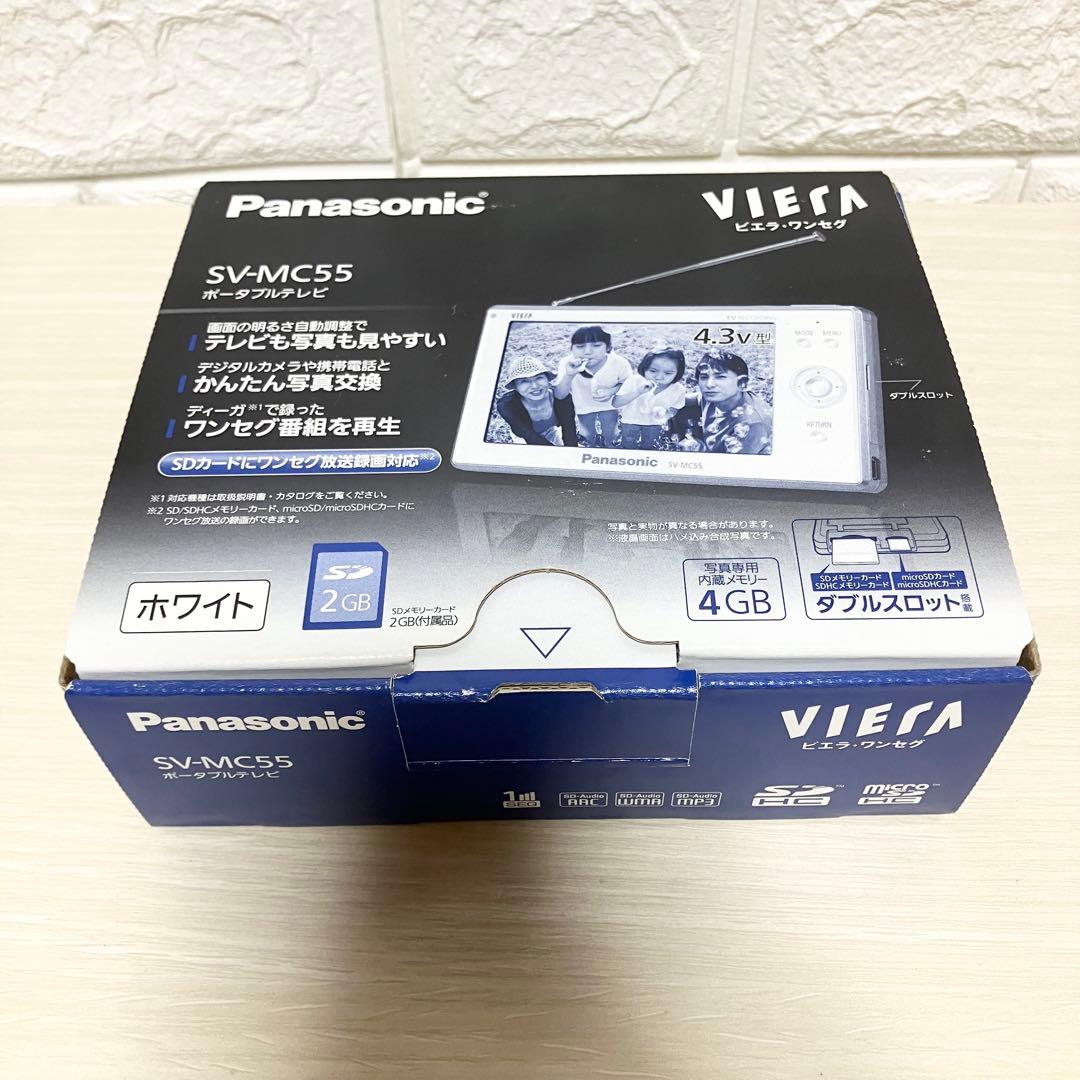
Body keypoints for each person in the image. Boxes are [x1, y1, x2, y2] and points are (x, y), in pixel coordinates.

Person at [670, 351, 772, 454]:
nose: (709, 384)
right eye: (704, 377)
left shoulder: (753, 425)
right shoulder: (716, 395)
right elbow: (690, 399)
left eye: (720, 377)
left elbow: (734, 463)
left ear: (742, 383)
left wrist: (699, 452)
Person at [553, 325, 633, 448]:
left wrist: (612, 390)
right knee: (588, 434)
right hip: (583, 406)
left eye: (596, 345)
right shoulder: (567, 363)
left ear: (608, 347)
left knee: (610, 434)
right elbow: (559, 395)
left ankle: (609, 447)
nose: (587, 352)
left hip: (610, 406)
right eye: (580, 347)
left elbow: (629, 384)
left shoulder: (619, 363)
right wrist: (569, 374)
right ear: (571, 349)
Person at [495, 355, 578, 446]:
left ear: (547, 379)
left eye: (539, 378)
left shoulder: (561, 398)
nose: (534, 386)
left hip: (551, 431)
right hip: (524, 438)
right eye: (524, 381)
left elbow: (569, 430)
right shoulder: (507, 406)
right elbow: (529, 436)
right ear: (515, 387)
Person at [617, 346, 687, 449]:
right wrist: (638, 392)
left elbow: (675, 408)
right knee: (628, 443)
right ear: (644, 368)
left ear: (678, 373)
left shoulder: (678, 390)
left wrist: (665, 414)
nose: (659, 377)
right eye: (653, 371)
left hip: (654, 424)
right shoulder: (634, 381)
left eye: (668, 373)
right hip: (630, 420)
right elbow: (616, 403)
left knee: (650, 445)